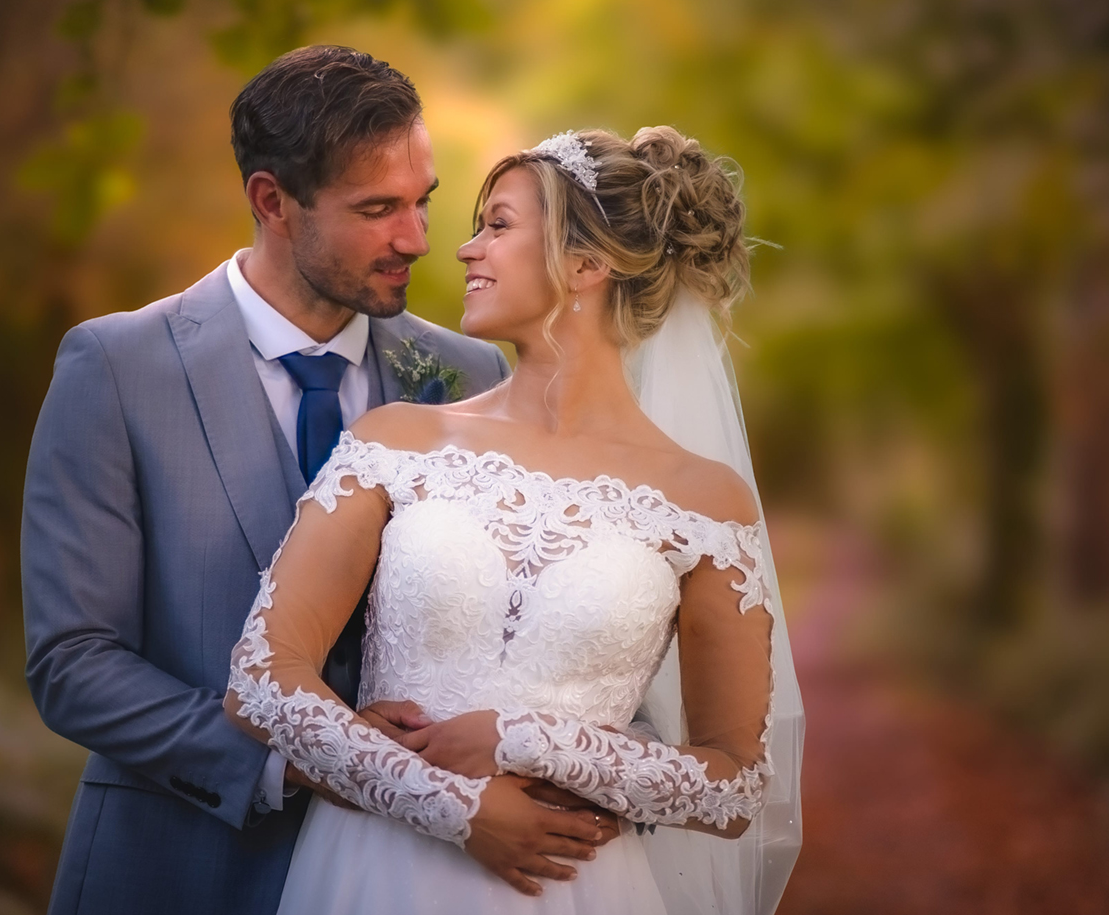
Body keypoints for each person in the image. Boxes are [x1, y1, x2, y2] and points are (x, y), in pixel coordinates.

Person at [21, 46, 612, 915]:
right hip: (180, 867)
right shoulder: (117, 367)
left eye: (423, 203)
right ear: (273, 202)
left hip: (417, 876)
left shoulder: (466, 369)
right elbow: (73, 662)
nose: (416, 239)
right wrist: (304, 757)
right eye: (377, 209)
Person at [224, 125, 805, 914]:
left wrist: (525, 741)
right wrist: (450, 804)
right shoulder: (397, 442)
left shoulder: (705, 501)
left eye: (497, 225)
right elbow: (261, 679)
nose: (463, 250)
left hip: (574, 888)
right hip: (374, 869)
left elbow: (735, 784)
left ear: (587, 264)